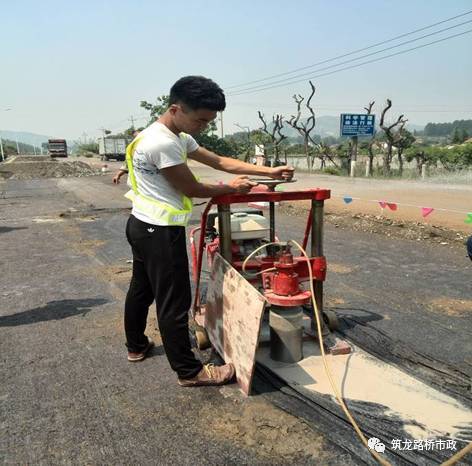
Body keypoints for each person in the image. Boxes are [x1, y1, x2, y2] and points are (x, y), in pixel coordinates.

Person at [124, 75, 294, 387]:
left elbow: (217, 160)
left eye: (210, 121)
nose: (205, 126)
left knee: (142, 289)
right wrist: (231, 189)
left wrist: (268, 171)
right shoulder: (162, 143)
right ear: (176, 109)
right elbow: (192, 187)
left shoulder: (173, 134)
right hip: (160, 231)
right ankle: (189, 372)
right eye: (201, 120)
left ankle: (135, 346)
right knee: (173, 302)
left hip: (141, 224)